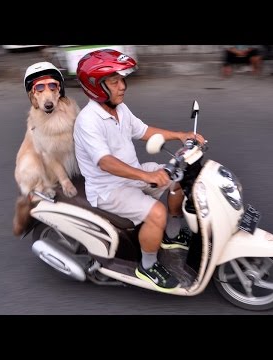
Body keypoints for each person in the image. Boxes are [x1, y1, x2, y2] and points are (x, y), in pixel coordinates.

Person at [73, 49, 205, 291]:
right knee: (156, 212)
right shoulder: (88, 121)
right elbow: (105, 162)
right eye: (114, 81)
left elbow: (144, 131)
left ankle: (171, 236)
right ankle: (147, 266)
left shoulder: (120, 109)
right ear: (97, 86)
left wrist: (180, 135)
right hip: (108, 189)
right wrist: (146, 176)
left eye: (122, 80)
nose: (123, 86)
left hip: (131, 176)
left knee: (179, 175)